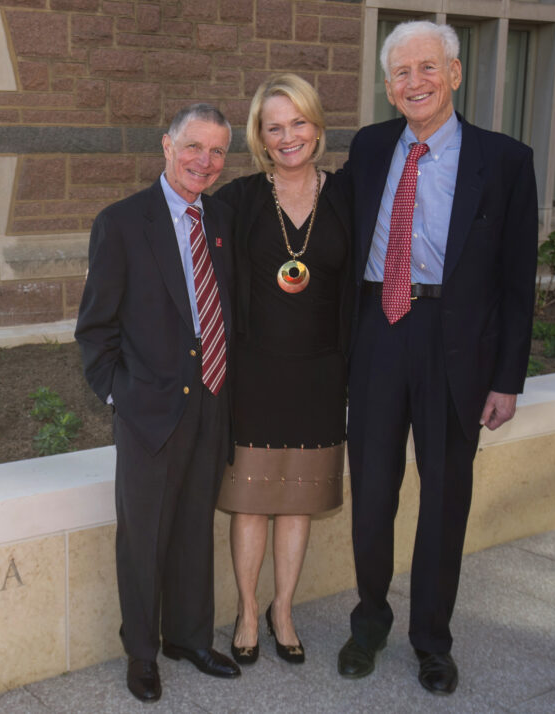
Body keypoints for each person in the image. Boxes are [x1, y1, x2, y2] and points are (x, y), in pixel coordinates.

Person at [338, 21, 537, 695]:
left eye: (427, 68)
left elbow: (516, 281)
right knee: (370, 495)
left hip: (458, 347)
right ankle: (369, 623)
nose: (414, 82)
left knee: (445, 499)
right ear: (388, 86)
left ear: (454, 74)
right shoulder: (368, 149)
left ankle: (432, 639)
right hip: (377, 334)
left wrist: (508, 378)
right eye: (400, 72)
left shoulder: (505, 160)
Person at [75, 103, 240, 703]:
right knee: (142, 536)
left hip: (211, 401)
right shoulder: (121, 223)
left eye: (218, 151)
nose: (205, 161)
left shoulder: (221, 220)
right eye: (194, 146)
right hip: (148, 408)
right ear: (166, 146)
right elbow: (95, 329)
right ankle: (142, 652)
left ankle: (190, 638)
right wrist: (120, 393)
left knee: (196, 527)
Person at [212, 74, 351, 667]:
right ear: (261, 138)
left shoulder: (347, 196)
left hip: (321, 374)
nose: (288, 136)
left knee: (297, 500)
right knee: (251, 502)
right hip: (253, 375)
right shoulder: (239, 200)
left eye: (298, 122)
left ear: (316, 126)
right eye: (275, 127)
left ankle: (283, 609)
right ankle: (247, 610)